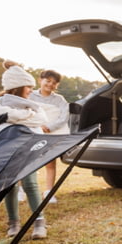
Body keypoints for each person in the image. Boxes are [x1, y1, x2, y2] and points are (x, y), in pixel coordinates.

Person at [0, 61, 51, 239]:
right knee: (9, 186)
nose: (30, 90)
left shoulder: (31, 108)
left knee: (30, 183)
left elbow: (37, 121)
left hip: (27, 148)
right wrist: (21, 119)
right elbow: (0, 124)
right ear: (17, 86)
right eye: (28, 86)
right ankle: (13, 223)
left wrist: (24, 118)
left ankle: (39, 222)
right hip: (4, 150)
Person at [32, 69, 69, 203]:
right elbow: (26, 112)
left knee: (50, 163)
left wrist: (49, 127)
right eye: (48, 81)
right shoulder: (30, 95)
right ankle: (21, 189)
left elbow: (63, 117)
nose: (50, 84)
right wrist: (37, 126)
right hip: (33, 132)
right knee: (27, 161)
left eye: (54, 83)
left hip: (51, 133)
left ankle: (49, 192)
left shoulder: (59, 100)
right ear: (40, 80)